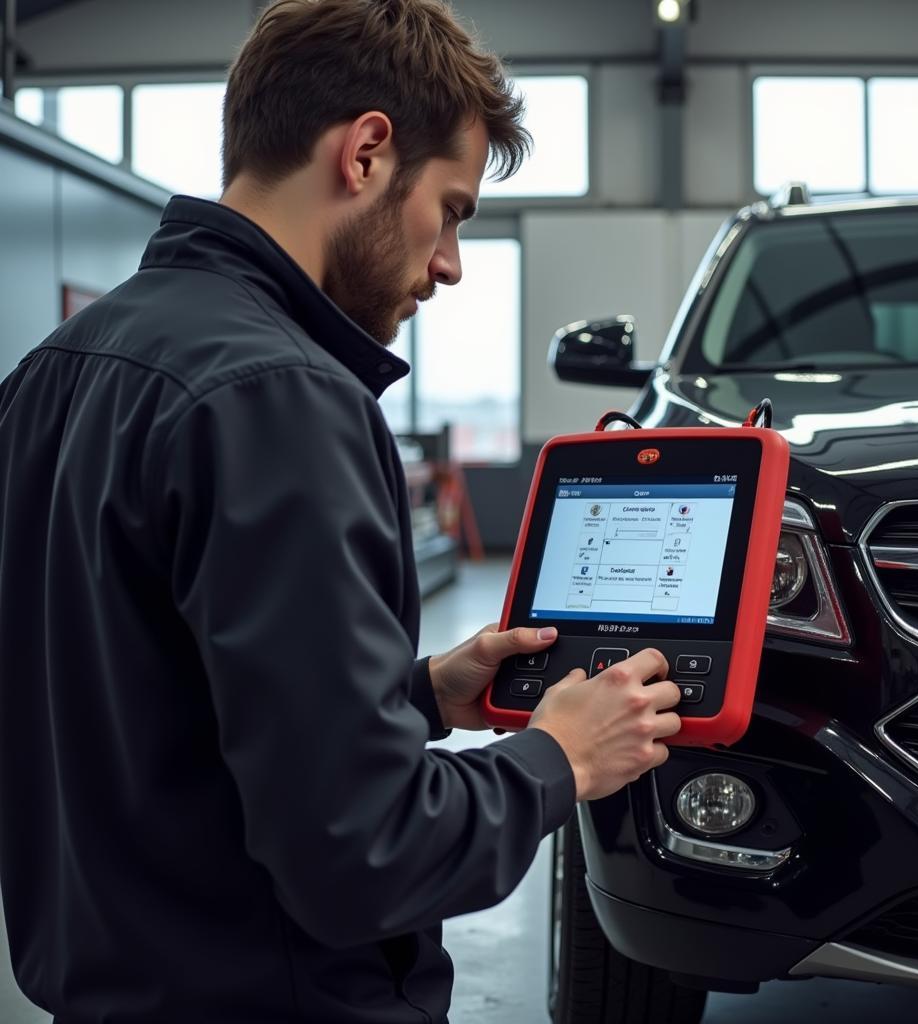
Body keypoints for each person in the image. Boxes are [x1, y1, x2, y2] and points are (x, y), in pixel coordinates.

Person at [0, 1, 681, 1021]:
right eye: (450, 209)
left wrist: (412, 696)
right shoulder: (283, 396)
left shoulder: (49, 374)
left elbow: (148, 716)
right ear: (365, 153)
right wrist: (556, 756)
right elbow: (366, 856)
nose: (449, 262)